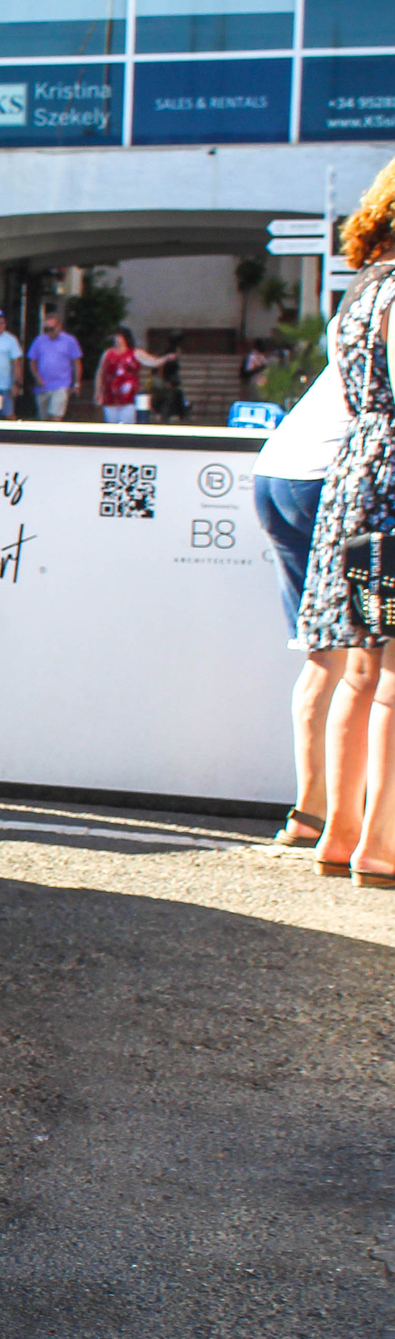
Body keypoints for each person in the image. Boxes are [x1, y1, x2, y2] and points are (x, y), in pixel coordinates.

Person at [300, 154, 395, 888]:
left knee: (362, 669)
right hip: (392, 484)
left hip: (361, 481)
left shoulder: (364, 289)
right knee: (388, 675)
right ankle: (381, 846)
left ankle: (341, 833)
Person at [254, 356, 355, 854]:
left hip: (280, 469)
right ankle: (348, 822)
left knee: (326, 652)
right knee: (366, 661)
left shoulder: (365, 293)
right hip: (329, 479)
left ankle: (311, 813)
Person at [93, 327, 172, 425]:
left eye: (120, 337)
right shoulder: (108, 353)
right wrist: (98, 390)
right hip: (110, 395)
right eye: (116, 337)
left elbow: (152, 362)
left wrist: (165, 358)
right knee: (111, 423)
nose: (118, 340)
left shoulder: (135, 353)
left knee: (127, 423)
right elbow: (100, 373)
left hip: (128, 397)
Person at [26, 311, 84, 420]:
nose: (49, 332)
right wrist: (37, 377)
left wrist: (76, 383)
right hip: (42, 387)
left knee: (55, 417)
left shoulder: (69, 341)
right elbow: (32, 361)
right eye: (46, 329)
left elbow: (76, 363)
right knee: (43, 419)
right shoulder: (39, 340)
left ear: (59, 326)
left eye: (52, 328)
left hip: (61, 385)